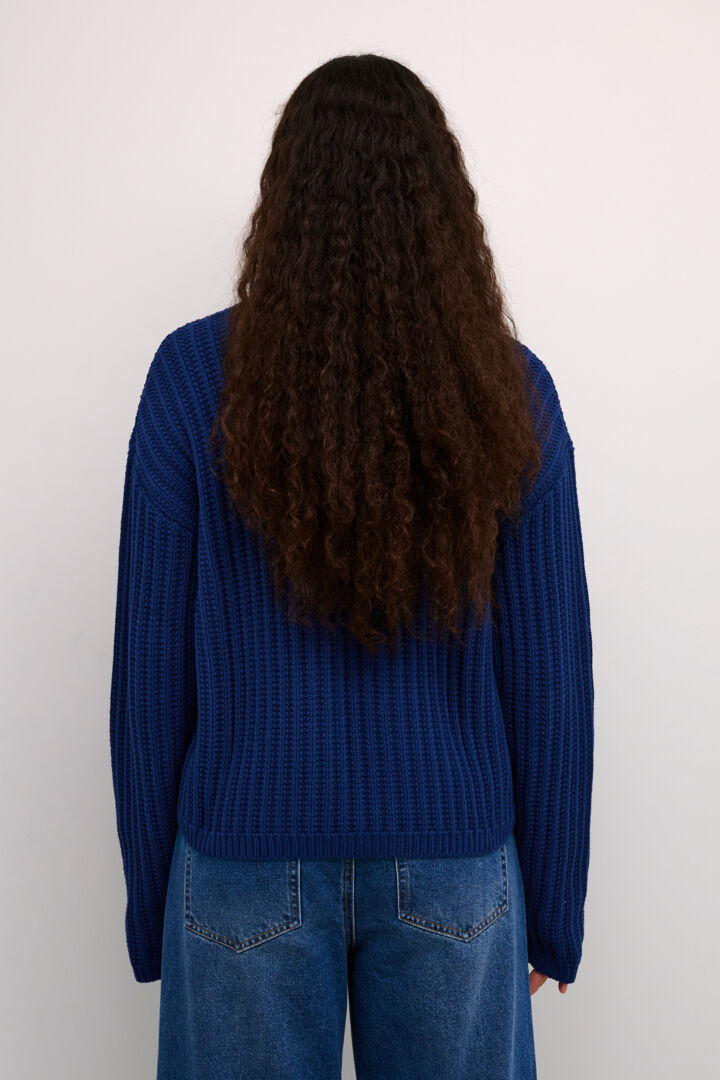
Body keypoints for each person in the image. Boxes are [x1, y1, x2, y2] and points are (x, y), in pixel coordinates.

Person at [109, 52, 594, 1080]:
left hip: (239, 863)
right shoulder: (511, 393)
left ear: (282, 203)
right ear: (443, 212)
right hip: (453, 865)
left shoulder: (191, 379)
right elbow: (552, 679)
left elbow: (147, 673)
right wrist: (553, 910)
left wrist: (156, 907)